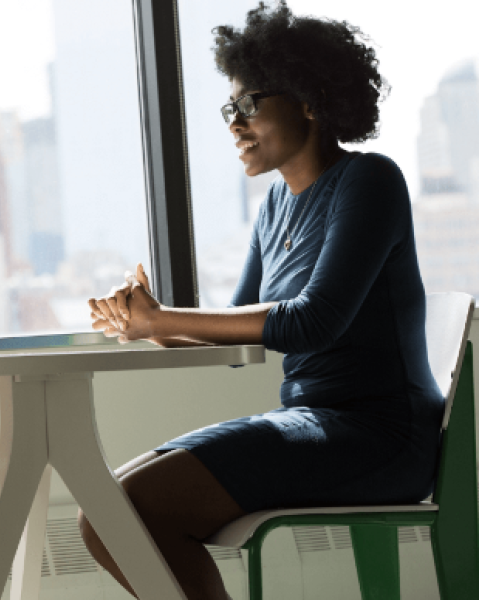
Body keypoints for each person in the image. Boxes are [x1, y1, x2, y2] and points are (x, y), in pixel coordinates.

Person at [81, 3, 444, 600]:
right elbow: (236, 336)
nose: (234, 124)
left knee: (123, 512)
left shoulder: (370, 181)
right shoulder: (274, 207)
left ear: (308, 98)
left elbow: (313, 322)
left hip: (381, 435)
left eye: (249, 105)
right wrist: (143, 325)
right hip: (313, 423)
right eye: (230, 108)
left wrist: (162, 317)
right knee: (104, 516)